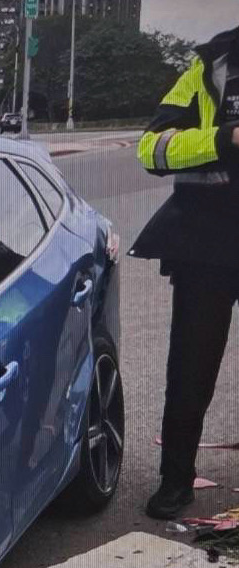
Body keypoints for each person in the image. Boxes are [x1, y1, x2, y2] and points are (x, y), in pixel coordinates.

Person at [132, 25, 239, 520]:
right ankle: (175, 479)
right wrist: (222, 138)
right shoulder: (207, 67)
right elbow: (151, 147)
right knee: (190, 368)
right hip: (205, 243)